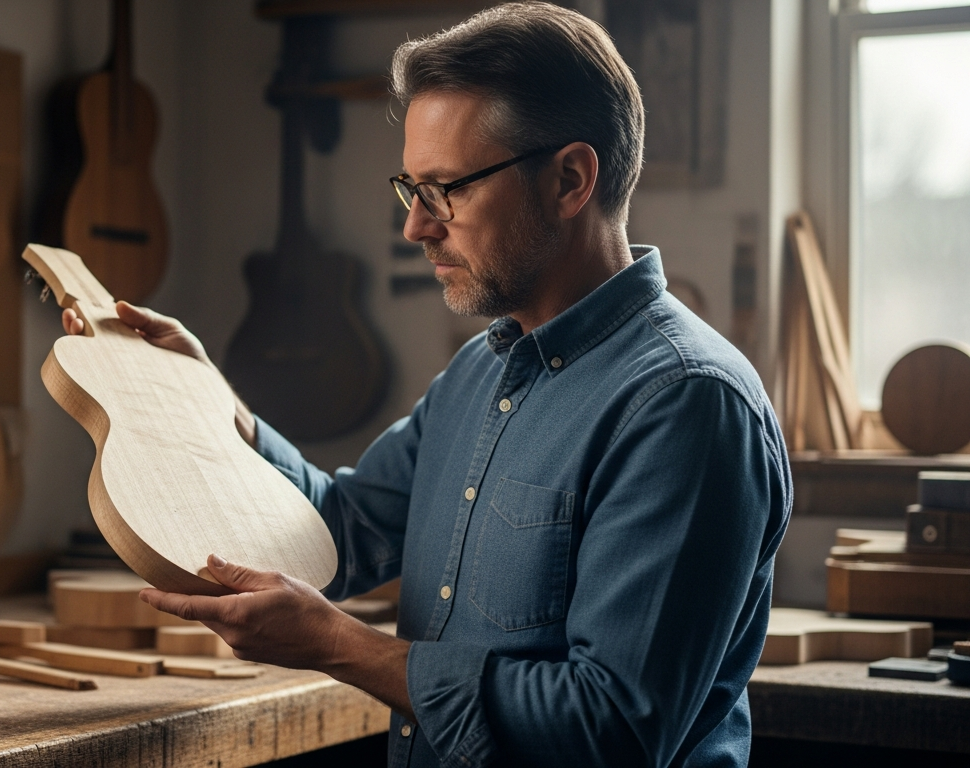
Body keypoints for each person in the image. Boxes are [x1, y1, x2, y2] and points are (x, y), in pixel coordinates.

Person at [61, 3, 790, 766]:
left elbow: (609, 728)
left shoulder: (687, 404)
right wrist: (208, 404)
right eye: (411, 188)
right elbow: (339, 529)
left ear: (571, 179)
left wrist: (341, 646)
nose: (416, 227)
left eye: (447, 189)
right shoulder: (486, 368)